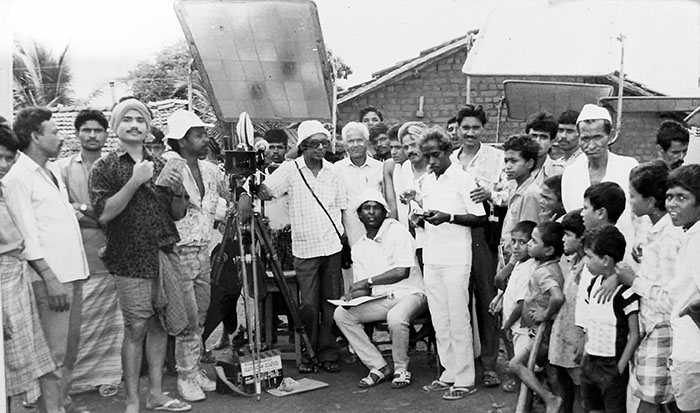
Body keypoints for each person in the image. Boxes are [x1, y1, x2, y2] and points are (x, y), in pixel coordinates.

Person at [89, 98, 191, 413]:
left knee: (160, 326)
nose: (134, 125)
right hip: (129, 259)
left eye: (140, 120)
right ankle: (132, 399)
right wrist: (135, 181)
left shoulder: (162, 164)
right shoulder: (104, 167)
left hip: (163, 254)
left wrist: (177, 191)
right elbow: (104, 214)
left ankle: (156, 394)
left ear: (148, 128)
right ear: (116, 127)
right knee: (135, 328)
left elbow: (177, 214)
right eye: (127, 120)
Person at [2, 107, 90, 413]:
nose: (61, 137)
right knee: (53, 354)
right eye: (54, 132)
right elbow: (27, 236)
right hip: (49, 279)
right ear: (35, 137)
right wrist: (50, 279)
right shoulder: (18, 178)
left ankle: (60, 403)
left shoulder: (50, 171)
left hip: (71, 274)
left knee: (69, 349)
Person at [258, 119, 347, 374]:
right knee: (308, 304)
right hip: (305, 249)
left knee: (331, 303)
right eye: (314, 144)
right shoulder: (290, 169)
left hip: (331, 245)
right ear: (303, 146)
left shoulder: (334, 172)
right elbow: (266, 191)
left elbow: (341, 207)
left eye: (324, 144)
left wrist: (344, 239)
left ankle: (328, 352)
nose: (320, 148)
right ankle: (308, 352)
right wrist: (248, 186)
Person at [161, 109, 228, 401]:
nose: (205, 140)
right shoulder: (168, 168)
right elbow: (165, 211)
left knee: (200, 314)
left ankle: (195, 367)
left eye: (204, 134)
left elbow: (223, 197)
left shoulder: (211, 170)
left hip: (204, 249)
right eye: (198, 135)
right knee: (186, 318)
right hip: (178, 251)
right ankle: (185, 375)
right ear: (182, 140)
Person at [415, 127, 486, 400]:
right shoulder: (426, 181)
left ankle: (465, 378)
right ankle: (449, 372)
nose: (431, 161)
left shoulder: (463, 179)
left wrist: (449, 217)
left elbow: (479, 217)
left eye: (435, 155)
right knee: (440, 319)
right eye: (427, 156)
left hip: (457, 259)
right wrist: (418, 218)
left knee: (458, 319)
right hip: (432, 257)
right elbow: (426, 216)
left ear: (447, 152)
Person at [57, 109, 124, 396]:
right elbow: (63, 211)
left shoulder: (115, 167)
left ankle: (107, 377)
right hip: (77, 254)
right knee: (78, 322)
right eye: (87, 130)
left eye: (98, 130)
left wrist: (84, 209)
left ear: (106, 135)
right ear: (77, 134)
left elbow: (120, 211)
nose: (92, 135)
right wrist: (102, 216)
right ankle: (74, 380)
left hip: (113, 254)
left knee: (110, 323)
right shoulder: (62, 169)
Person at [333, 190, 427, 389]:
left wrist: (366, 282)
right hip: (382, 299)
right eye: (366, 208)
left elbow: (401, 272)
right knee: (342, 314)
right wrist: (350, 296)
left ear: (384, 212)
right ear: (359, 215)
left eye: (376, 208)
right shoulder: (359, 247)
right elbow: (364, 291)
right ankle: (378, 366)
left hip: (410, 294)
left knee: (396, 318)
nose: (371, 212)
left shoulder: (397, 231)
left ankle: (401, 368)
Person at [614, 160, 683, 412]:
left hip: (663, 328)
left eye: (633, 196)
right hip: (653, 326)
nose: (629, 201)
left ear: (652, 202)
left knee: (649, 401)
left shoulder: (669, 237)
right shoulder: (655, 231)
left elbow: (671, 300)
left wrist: (634, 281)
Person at [0, 125, 57, 408]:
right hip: (4, 282)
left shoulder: (3, 189)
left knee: (19, 365)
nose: (3, 165)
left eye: (9, 158)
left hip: (16, 277)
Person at [449, 104, 506, 387]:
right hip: (453, 232)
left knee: (486, 297)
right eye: (465, 127)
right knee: (458, 299)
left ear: (483, 129)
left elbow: (509, 193)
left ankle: (490, 364)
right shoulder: (449, 159)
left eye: (475, 128)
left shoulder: (497, 157)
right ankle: (459, 363)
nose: (470, 133)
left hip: (484, 233)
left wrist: (490, 193)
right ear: (457, 129)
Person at [641, 164, 700, 413]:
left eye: (682, 198)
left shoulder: (696, 241)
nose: (672, 204)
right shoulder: (688, 235)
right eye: (669, 197)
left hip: (693, 352)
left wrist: (691, 310)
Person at [561, 104, 641, 255]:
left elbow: (641, 215)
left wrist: (641, 240)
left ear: (610, 136)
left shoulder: (629, 167)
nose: (591, 145)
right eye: (585, 139)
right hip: (587, 255)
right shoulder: (571, 173)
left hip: (627, 251)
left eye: (597, 137)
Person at [577, 225, 640, 413]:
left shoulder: (625, 292)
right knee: (592, 407)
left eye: (589, 257)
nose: (585, 262)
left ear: (605, 260)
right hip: (591, 361)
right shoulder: (593, 284)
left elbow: (635, 334)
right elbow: (591, 321)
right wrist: (586, 352)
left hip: (611, 364)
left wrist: (619, 368)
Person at [508, 221, 566, 413]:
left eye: (533, 241)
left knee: (516, 364)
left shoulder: (544, 272)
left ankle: (549, 399)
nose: (529, 245)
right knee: (549, 373)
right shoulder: (549, 266)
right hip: (542, 332)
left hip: (543, 333)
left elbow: (557, 297)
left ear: (548, 250)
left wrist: (545, 314)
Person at [492, 220, 537, 393]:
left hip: (521, 327)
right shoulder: (519, 263)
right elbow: (499, 279)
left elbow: (521, 305)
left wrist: (507, 325)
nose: (516, 247)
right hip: (514, 326)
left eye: (522, 242)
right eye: (513, 241)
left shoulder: (529, 268)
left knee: (522, 367)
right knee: (518, 363)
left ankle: (527, 400)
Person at [547, 210, 586, 412]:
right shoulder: (573, 262)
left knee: (580, 389)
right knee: (567, 383)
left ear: (582, 239)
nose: (563, 239)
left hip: (577, 336)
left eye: (568, 235)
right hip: (566, 332)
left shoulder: (587, 268)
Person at [336, 122, 383, 247]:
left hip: (378, 229)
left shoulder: (380, 168)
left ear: (366, 142)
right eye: (351, 141)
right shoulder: (337, 169)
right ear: (345, 144)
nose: (356, 145)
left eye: (359, 140)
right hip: (351, 229)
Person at [500, 134, 542, 263]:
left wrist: (509, 268)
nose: (508, 166)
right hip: (508, 256)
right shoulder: (514, 187)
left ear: (529, 163)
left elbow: (526, 239)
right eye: (506, 161)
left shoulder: (531, 194)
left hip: (519, 262)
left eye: (514, 161)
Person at [525, 111, 563, 181]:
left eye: (543, 137)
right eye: (533, 136)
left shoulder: (560, 172)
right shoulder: (512, 168)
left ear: (551, 142)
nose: (537, 141)